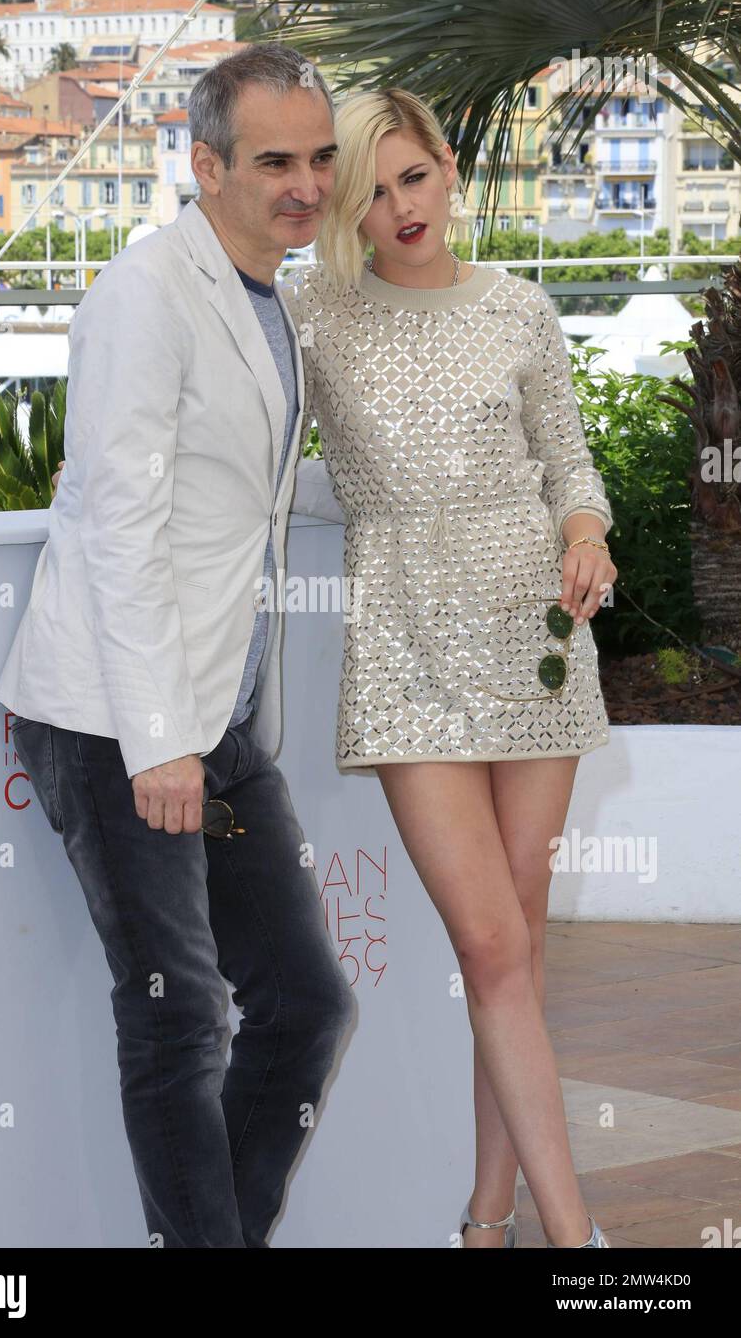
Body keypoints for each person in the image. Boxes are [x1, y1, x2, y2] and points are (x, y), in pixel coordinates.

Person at [0, 43, 356, 1249]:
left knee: (303, 1002)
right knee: (176, 1012)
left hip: (217, 723)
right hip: (117, 720)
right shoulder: (146, 295)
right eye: (273, 161)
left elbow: (245, 495)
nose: (304, 184)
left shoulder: (270, 299)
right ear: (205, 166)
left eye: (318, 157)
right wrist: (159, 744)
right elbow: (118, 526)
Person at [280, 87, 618, 1248]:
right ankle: (576, 1244)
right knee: (487, 943)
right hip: (405, 648)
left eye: (411, 177)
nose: (398, 207)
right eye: (370, 192)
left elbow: (569, 465)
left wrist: (584, 533)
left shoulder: (519, 309)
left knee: (511, 947)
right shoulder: (314, 311)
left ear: (445, 169)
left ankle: (486, 1218)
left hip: (533, 641)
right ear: (346, 209)